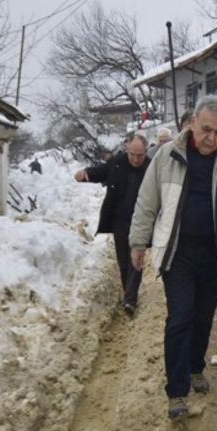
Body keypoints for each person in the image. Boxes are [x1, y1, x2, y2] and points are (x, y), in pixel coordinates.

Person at [129, 96, 217, 420]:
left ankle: (196, 368)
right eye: (205, 129)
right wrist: (139, 242)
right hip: (178, 253)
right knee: (180, 318)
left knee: (203, 318)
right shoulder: (168, 156)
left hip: (213, 257)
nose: (210, 137)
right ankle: (177, 391)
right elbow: (147, 201)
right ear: (193, 123)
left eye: (216, 131)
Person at [74, 133, 150, 316]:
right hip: (119, 220)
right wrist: (86, 174)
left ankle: (130, 299)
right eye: (132, 154)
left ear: (145, 152)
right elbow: (101, 171)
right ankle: (128, 293)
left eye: (140, 155)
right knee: (124, 260)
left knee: (136, 258)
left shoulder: (151, 167)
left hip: (141, 221)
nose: (136, 159)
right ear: (126, 149)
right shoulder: (117, 163)